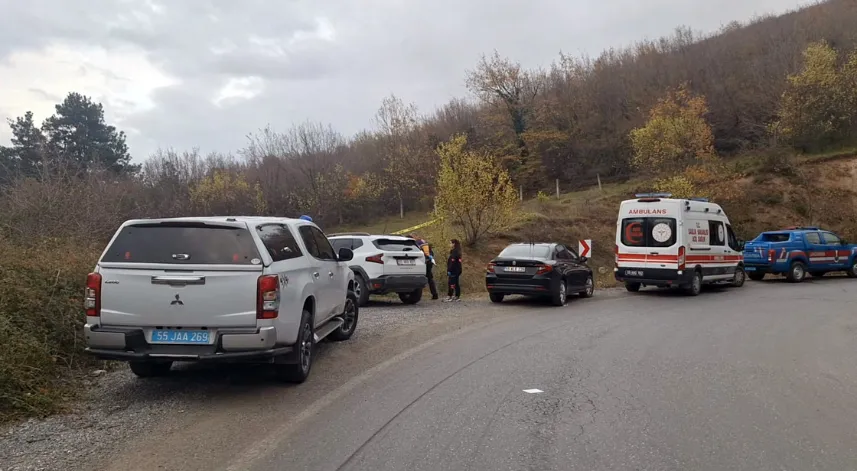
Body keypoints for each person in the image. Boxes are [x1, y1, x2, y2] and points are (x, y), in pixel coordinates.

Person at [410, 233, 439, 300]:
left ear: (415, 236)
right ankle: (434, 294)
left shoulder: (418, 243)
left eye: (412, 237)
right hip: (428, 261)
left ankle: (417, 294)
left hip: (424, 262)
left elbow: (423, 253)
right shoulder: (423, 241)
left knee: (419, 277)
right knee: (429, 278)